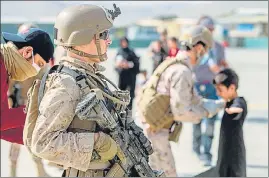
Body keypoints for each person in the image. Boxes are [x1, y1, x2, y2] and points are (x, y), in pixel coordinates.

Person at [28, 4, 150, 177]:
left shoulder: (89, 77)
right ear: (83, 38)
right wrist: (98, 141)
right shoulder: (67, 84)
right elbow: (43, 142)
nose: (108, 40)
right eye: (103, 35)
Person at [137, 25, 226, 177]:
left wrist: (218, 104)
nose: (205, 55)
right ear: (198, 47)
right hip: (154, 134)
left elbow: (194, 100)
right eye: (205, 50)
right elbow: (181, 112)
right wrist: (205, 112)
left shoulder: (174, 65)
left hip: (151, 131)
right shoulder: (182, 72)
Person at [6, 23, 52, 177]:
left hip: (32, 107)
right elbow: (8, 87)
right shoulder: (14, 61)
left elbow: (45, 82)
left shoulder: (37, 60)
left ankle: (40, 172)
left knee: (33, 142)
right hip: (18, 106)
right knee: (17, 144)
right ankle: (13, 172)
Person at [1, 27, 54, 144]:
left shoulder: (5, 69)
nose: (36, 71)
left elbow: (3, 128)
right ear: (27, 52)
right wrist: (34, 112)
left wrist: (39, 140)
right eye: (39, 64)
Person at [192, 16, 229, 166]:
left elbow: (223, 66)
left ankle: (206, 153)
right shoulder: (194, 47)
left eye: (212, 29)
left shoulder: (219, 47)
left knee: (211, 122)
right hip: (197, 87)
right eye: (207, 29)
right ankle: (197, 148)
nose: (210, 32)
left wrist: (222, 70)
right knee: (196, 120)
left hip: (213, 88)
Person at [196, 69, 247, 177]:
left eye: (220, 90)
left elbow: (239, 107)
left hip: (234, 158)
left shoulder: (239, 102)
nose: (218, 93)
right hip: (224, 157)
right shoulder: (227, 102)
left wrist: (233, 109)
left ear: (232, 88)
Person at [115, 37, 140, 109]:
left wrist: (128, 64)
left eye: (125, 42)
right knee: (120, 92)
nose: (124, 43)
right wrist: (119, 65)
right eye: (122, 42)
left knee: (130, 93)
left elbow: (136, 63)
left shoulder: (131, 51)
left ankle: (129, 108)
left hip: (130, 76)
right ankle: (120, 108)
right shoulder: (119, 51)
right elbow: (116, 64)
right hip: (122, 76)